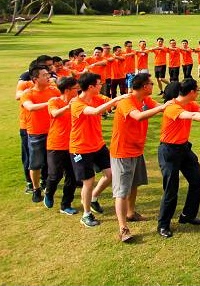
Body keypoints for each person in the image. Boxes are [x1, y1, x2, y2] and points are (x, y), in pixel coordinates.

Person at [157, 78, 200, 239]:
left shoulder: (190, 103)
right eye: (197, 90)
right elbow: (193, 115)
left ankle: (187, 215)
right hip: (169, 151)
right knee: (171, 188)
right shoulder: (172, 107)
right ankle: (163, 225)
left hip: (183, 148)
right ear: (191, 92)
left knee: (197, 180)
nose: (198, 92)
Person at [110, 72, 169, 242]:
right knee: (122, 191)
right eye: (151, 83)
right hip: (122, 152)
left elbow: (161, 107)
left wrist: (176, 105)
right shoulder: (126, 102)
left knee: (134, 184)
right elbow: (138, 116)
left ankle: (130, 213)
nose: (152, 85)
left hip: (136, 149)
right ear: (144, 86)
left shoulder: (145, 100)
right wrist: (162, 108)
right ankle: (123, 228)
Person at [70, 73, 127, 228]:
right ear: (91, 87)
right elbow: (95, 111)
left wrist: (127, 99)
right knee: (88, 181)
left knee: (111, 174)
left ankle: (94, 197)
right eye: (99, 84)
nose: (101, 85)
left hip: (98, 145)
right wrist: (116, 99)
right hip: (81, 148)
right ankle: (86, 214)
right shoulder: (76, 103)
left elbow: (114, 103)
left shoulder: (97, 97)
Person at [20, 66, 62, 204]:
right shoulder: (28, 93)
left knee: (52, 162)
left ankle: (46, 183)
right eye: (44, 75)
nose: (48, 77)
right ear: (35, 79)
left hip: (53, 132)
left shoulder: (54, 91)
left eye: (48, 74)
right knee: (35, 163)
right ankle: (36, 188)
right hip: (36, 133)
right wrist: (49, 103)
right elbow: (30, 107)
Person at [45, 76, 79, 215]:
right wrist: (67, 107)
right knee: (55, 175)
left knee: (72, 176)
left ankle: (66, 205)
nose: (78, 90)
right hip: (56, 145)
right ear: (67, 90)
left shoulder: (78, 102)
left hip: (73, 144)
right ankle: (49, 192)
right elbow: (54, 114)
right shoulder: (54, 101)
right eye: (75, 88)